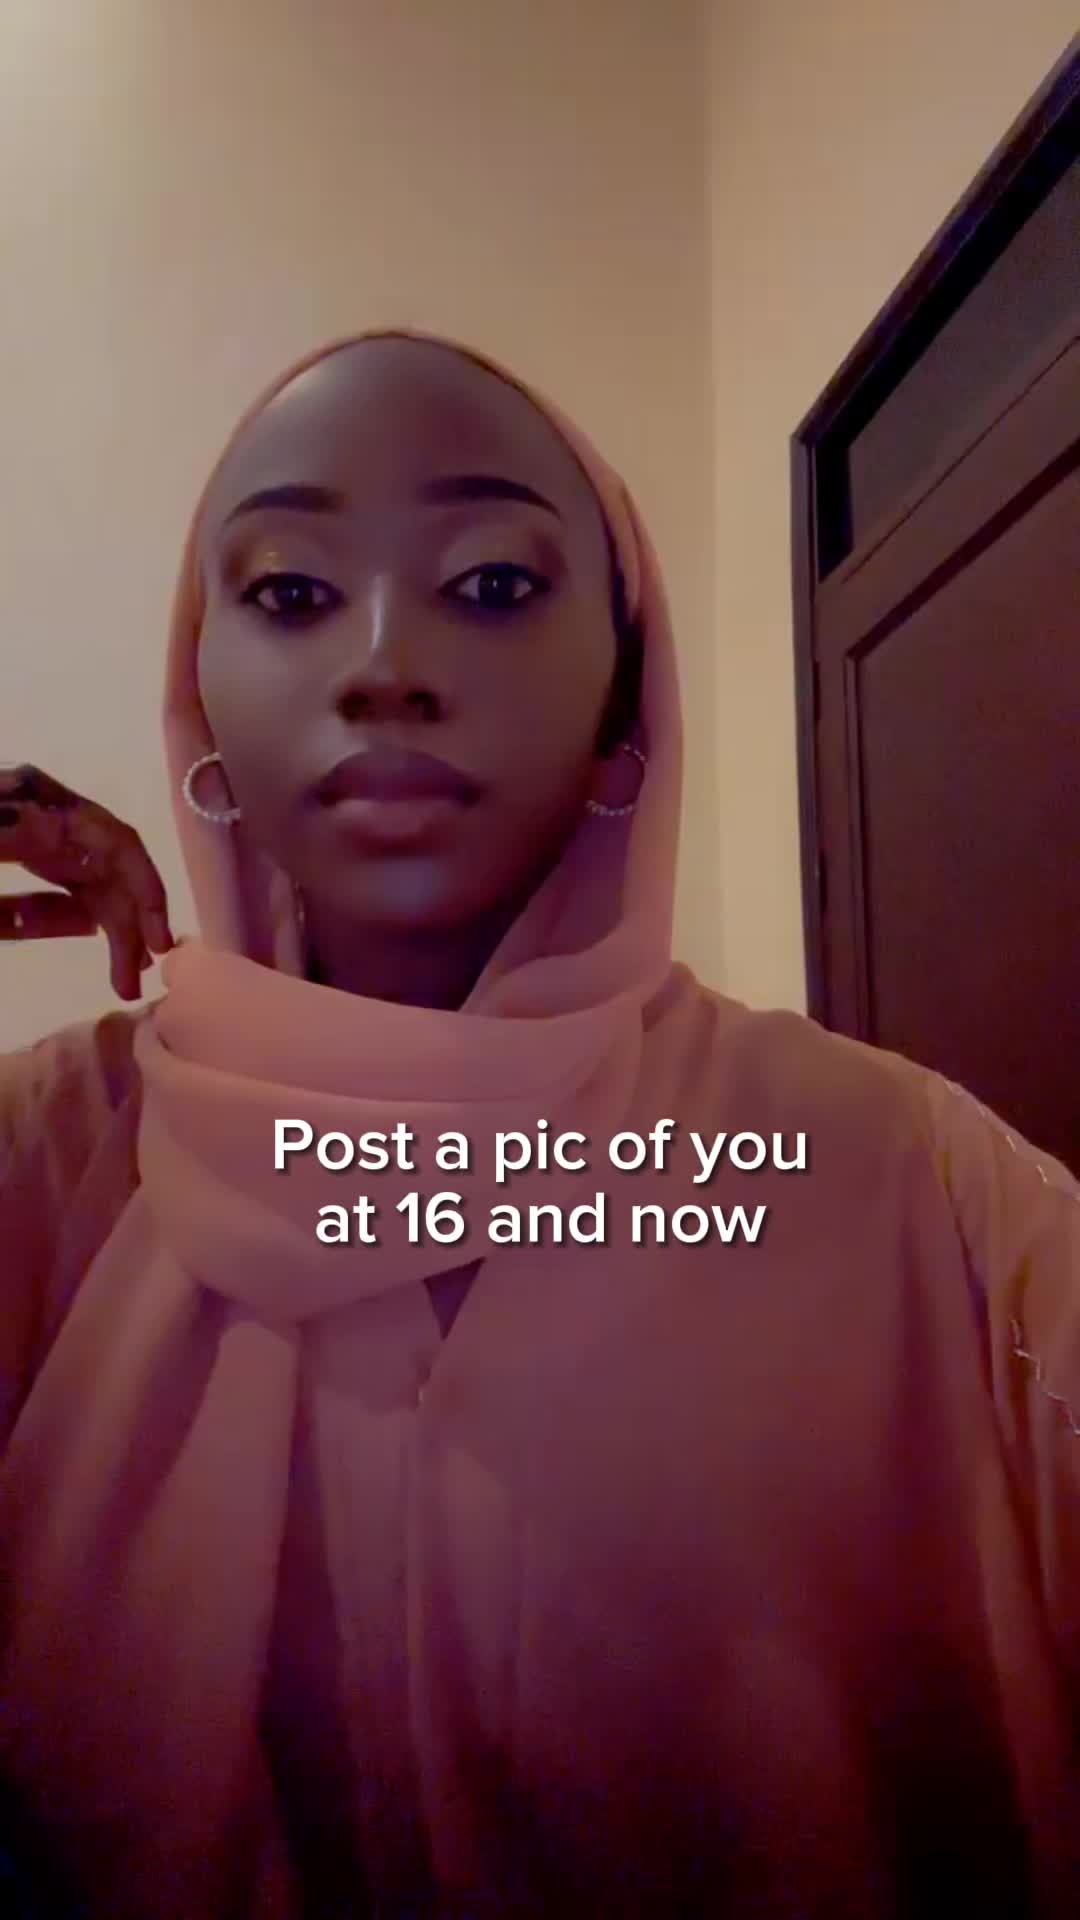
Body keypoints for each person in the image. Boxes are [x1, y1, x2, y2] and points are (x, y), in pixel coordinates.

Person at [0, 330, 1077, 1920]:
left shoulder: (905, 1173)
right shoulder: (46, 1161)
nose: (384, 663)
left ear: (623, 695)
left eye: (493, 583)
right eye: (290, 592)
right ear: (200, 694)